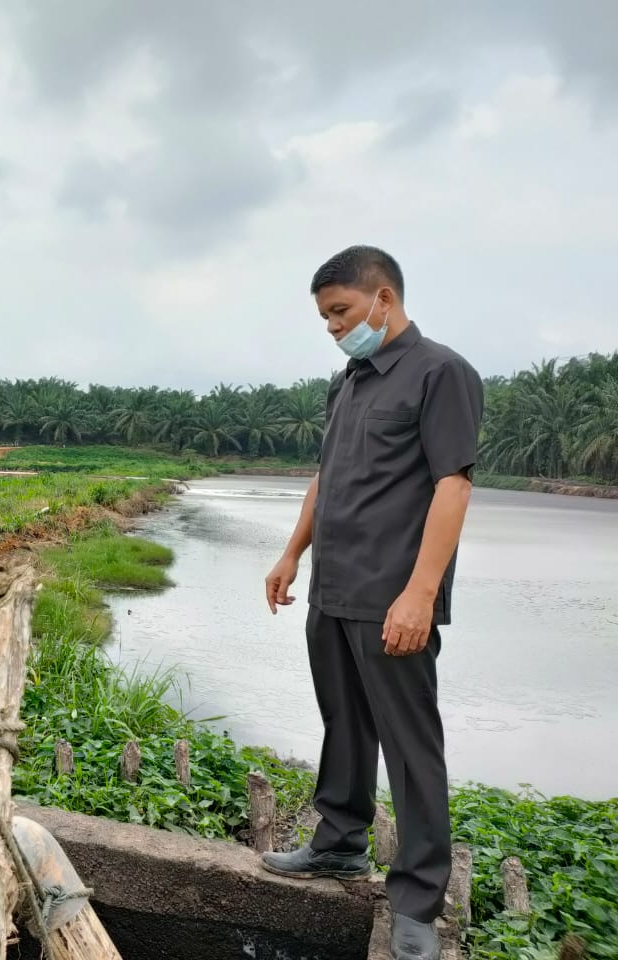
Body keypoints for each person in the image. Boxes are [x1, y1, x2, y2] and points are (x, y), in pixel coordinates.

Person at [262, 246, 483, 960]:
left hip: (394, 598)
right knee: (345, 725)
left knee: (413, 748)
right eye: (325, 317)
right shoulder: (349, 381)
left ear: (382, 299)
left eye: (341, 313)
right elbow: (325, 479)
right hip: (333, 589)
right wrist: (293, 551)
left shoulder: (440, 373)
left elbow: (453, 486)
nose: (332, 328)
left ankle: (417, 902)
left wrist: (420, 594)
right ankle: (339, 845)